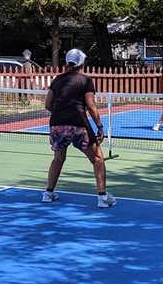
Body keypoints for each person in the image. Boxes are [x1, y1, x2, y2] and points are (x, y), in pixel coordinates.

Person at [42, 48, 116, 208]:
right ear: (82, 63)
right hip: (78, 124)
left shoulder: (57, 80)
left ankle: (48, 193)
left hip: (57, 124)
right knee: (97, 159)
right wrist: (100, 126)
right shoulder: (85, 80)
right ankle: (102, 197)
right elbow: (91, 105)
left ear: (67, 63)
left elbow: (48, 104)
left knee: (58, 158)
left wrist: (61, 115)